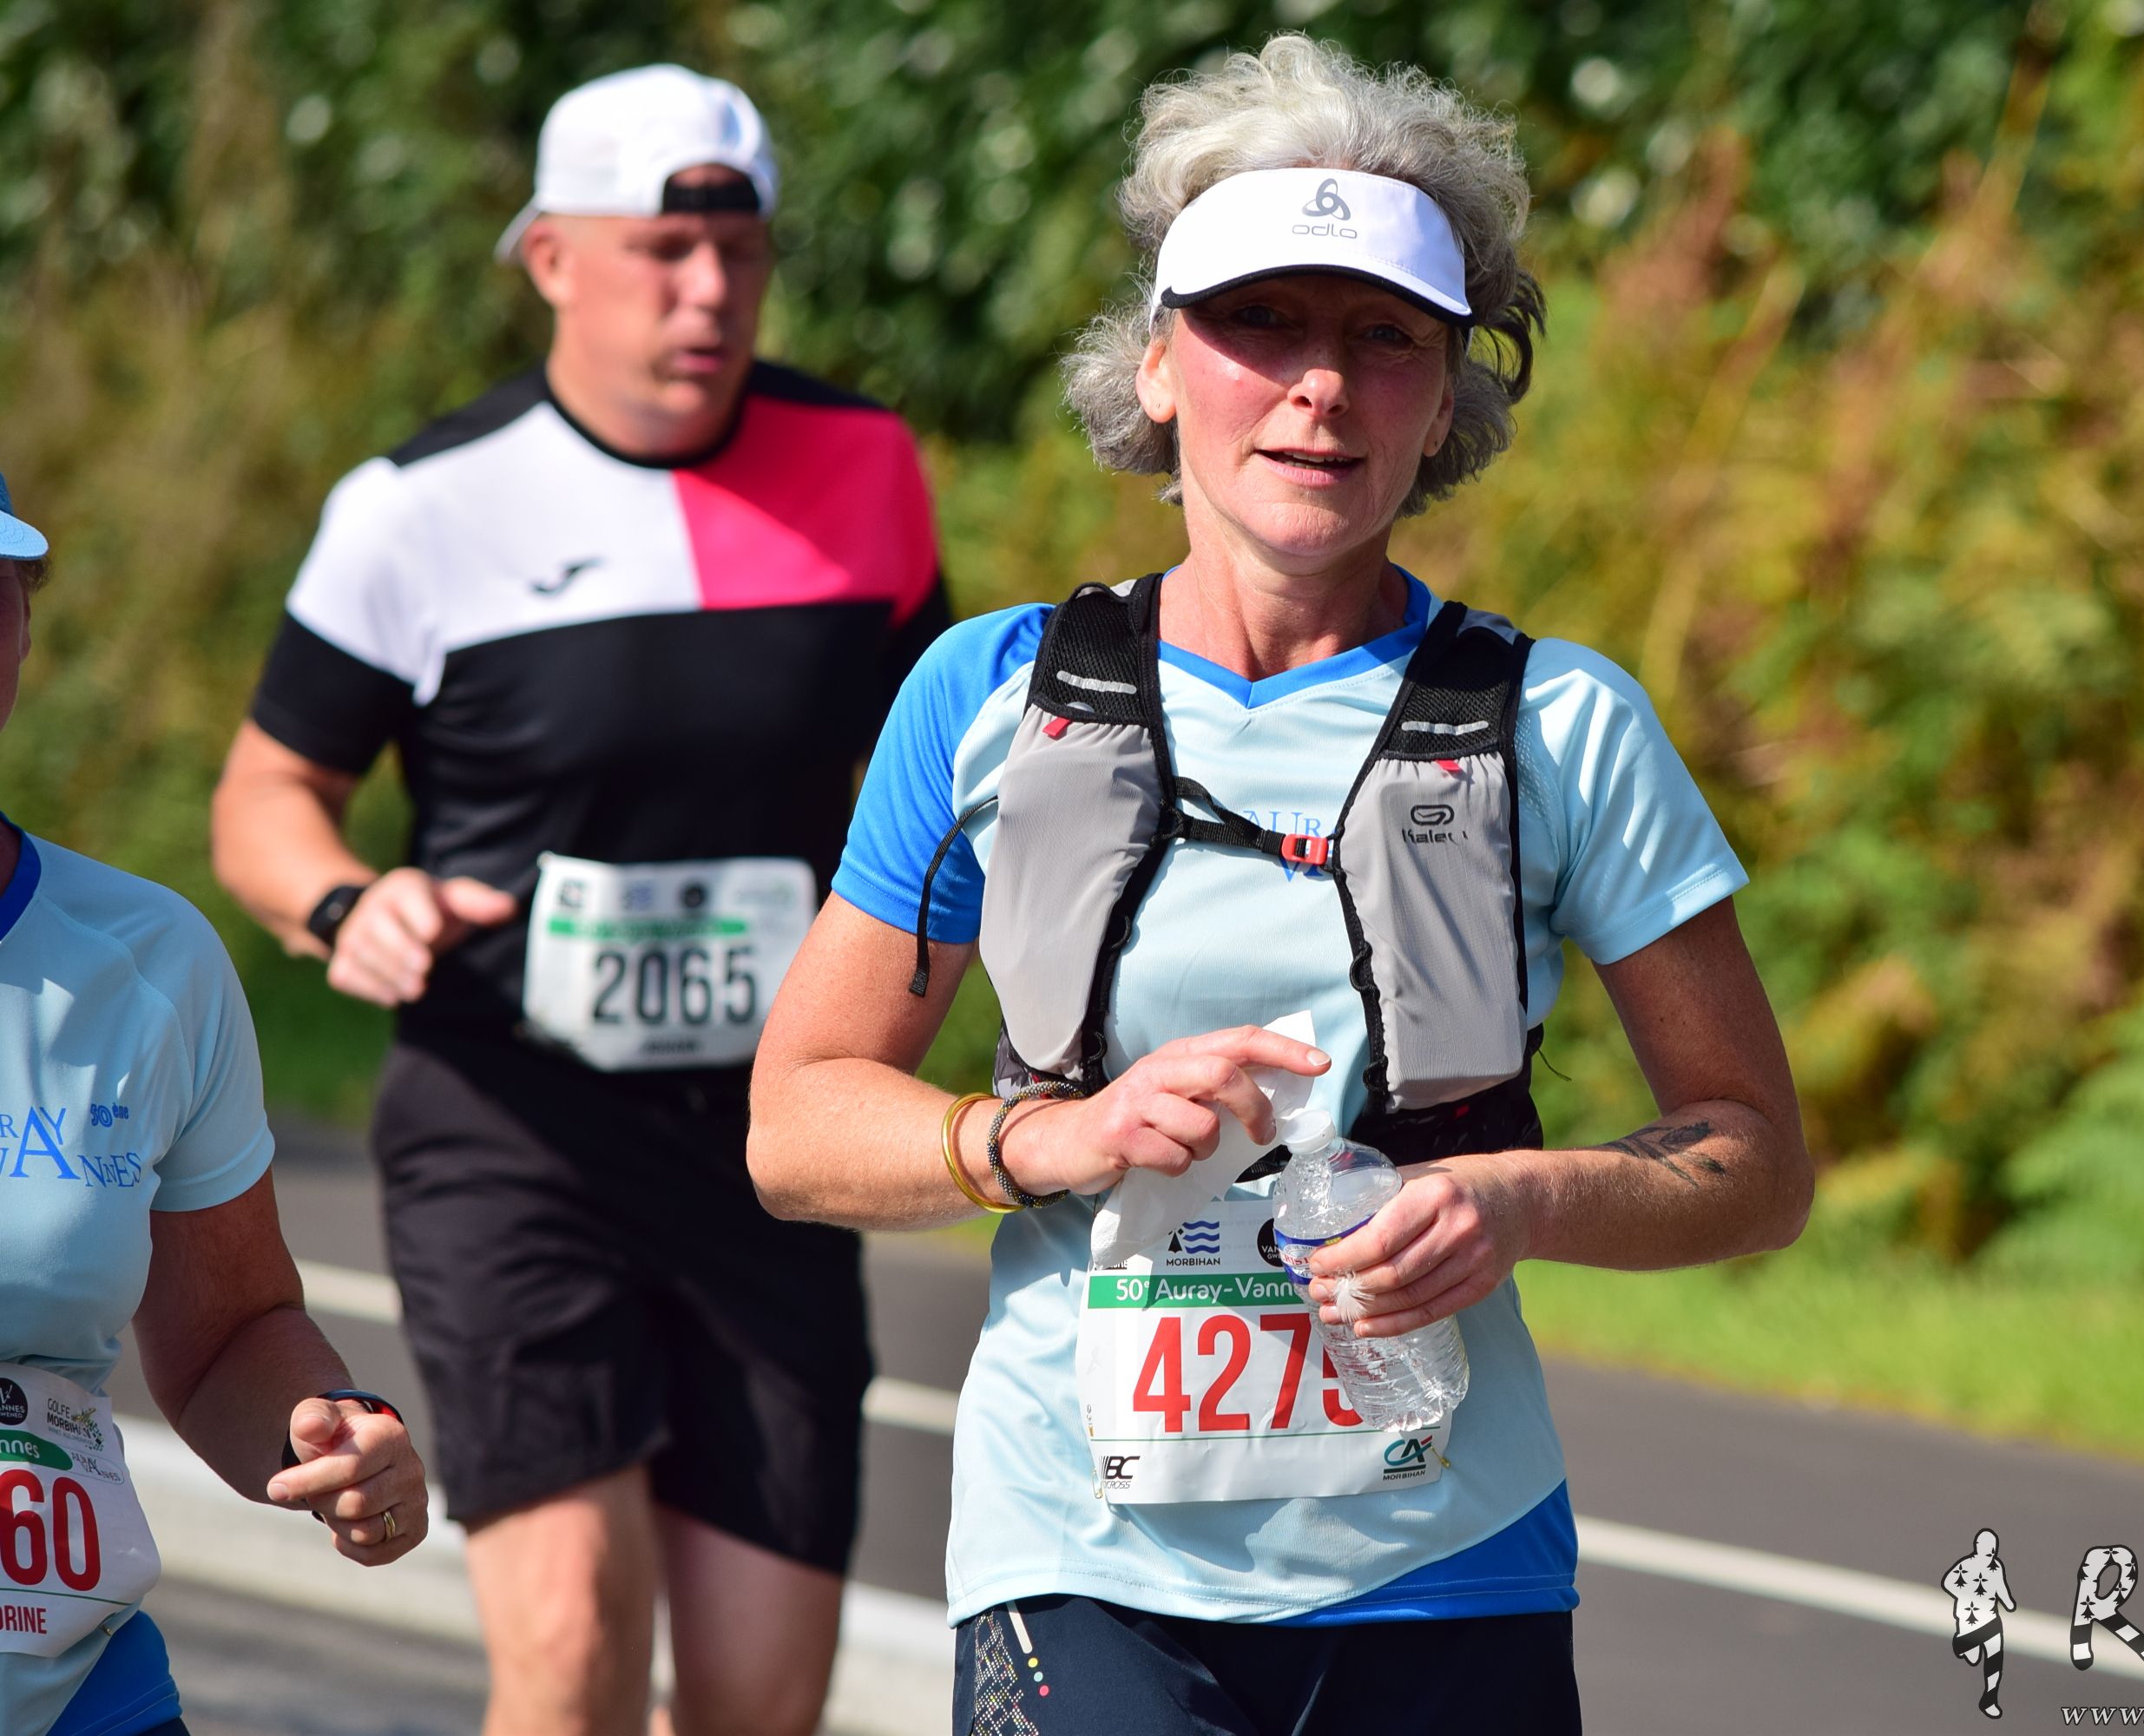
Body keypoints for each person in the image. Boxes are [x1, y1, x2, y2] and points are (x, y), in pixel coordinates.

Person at [747, 35, 1812, 1736]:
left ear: (1446, 398)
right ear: (1160, 363)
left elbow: (1752, 1163)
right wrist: (1047, 1140)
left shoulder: (1563, 724)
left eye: (1385, 338)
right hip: (1076, 1553)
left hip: (1448, 1560)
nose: (1320, 386)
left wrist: (1521, 1200)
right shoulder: (989, 694)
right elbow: (797, 1123)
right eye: (1260, 323)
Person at [207, 66, 947, 1736]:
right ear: (548, 257)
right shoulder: (418, 509)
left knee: (760, 1701)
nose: (709, 293)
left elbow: (928, 782)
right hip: (513, 1128)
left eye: (740, 252)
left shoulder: (866, 466)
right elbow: (264, 796)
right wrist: (344, 903)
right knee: (574, 1651)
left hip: (768, 1142)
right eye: (662, 252)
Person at [1, 471, 429, 1736]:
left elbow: (228, 1334)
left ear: (22, 626)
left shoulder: (150, 961)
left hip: (76, 1696)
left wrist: (331, 1433)